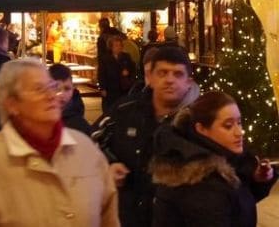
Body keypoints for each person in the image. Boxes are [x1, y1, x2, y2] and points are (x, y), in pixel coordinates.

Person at [0, 59, 119, 226]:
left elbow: (108, 216)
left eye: (51, 87)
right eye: (39, 89)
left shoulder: (83, 148)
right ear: (12, 104)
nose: (52, 95)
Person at [94, 45, 197, 227]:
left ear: (189, 82)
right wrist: (108, 165)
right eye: (162, 73)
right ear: (151, 77)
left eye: (177, 74)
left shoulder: (200, 121)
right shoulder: (125, 110)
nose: (169, 80)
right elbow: (90, 142)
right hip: (126, 217)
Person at [151, 91, 277, 227]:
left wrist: (258, 181)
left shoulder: (226, 161)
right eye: (228, 126)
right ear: (201, 129)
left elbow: (238, 207)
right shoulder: (201, 182)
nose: (239, 132)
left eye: (239, 123)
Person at [48, 63, 92, 135]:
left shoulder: (80, 126)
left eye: (67, 89)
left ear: (73, 88)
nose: (62, 95)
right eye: (56, 89)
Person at [98, 35, 136, 113]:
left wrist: (128, 73)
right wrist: (102, 88)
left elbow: (133, 69)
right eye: (116, 45)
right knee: (110, 109)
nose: (118, 47)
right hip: (110, 88)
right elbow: (101, 74)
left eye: (120, 45)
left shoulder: (126, 57)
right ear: (111, 47)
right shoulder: (105, 59)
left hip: (123, 88)